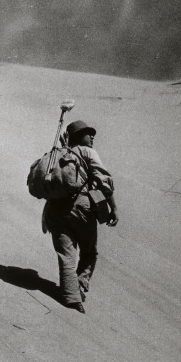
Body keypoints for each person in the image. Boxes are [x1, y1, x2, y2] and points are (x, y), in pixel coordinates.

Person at [43, 120, 118, 314]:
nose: (92, 137)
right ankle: (80, 285)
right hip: (82, 208)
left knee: (66, 255)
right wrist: (113, 208)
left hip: (55, 210)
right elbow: (104, 182)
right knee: (89, 252)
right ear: (77, 137)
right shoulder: (87, 152)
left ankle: (71, 297)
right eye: (87, 133)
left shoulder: (58, 154)